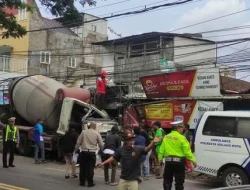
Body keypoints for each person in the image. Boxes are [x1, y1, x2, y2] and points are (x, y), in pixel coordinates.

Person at [97, 131, 161, 190]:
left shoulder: (137, 148)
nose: (132, 141)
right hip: (123, 179)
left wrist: (153, 143)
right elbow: (113, 157)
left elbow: (147, 149)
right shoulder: (121, 150)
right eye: (130, 140)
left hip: (133, 180)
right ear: (125, 141)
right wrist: (103, 163)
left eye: (133, 139)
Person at [158, 121, 197, 190]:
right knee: (179, 182)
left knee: (167, 180)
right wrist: (193, 161)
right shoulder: (182, 138)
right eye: (182, 127)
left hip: (168, 162)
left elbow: (161, 150)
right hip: (179, 163)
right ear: (178, 128)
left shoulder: (166, 137)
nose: (183, 129)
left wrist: (160, 159)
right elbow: (187, 152)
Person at [74, 122, 104, 187]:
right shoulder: (97, 133)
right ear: (95, 127)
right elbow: (101, 144)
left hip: (84, 152)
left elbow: (78, 142)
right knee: (90, 168)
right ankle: (90, 183)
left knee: (82, 168)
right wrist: (102, 151)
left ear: (89, 126)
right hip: (92, 153)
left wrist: (76, 150)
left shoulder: (83, 132)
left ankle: (82, 182)